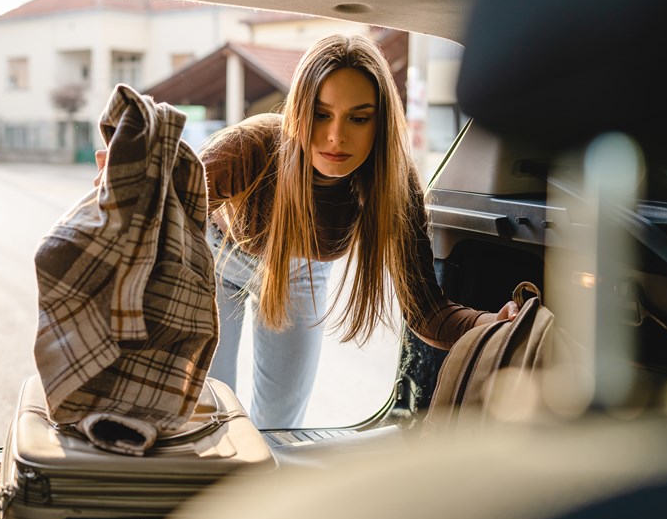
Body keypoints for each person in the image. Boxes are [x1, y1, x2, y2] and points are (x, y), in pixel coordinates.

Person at [97, 34, 518, 428]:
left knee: (281, 421)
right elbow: (152, 231)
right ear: (299, 109)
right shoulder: (249, 148)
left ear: (381, 122)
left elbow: (429, 313)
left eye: (359, 117)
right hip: (213, 258)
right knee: (205, 408)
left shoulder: (392, 182)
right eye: (321, 114)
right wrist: (125, 197)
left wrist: (493, 323)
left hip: (301, 272)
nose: (336, 136)